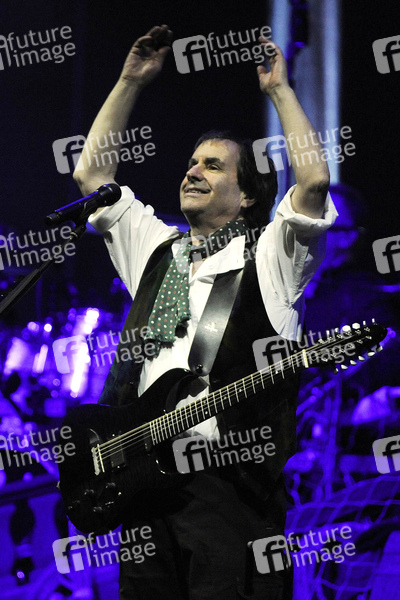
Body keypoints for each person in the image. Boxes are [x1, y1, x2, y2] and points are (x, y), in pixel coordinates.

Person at [73, 24, 336, 600]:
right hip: (144, 485)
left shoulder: (270, 258)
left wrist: (279, 91)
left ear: (247, 195)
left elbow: (314, 180)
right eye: (193, 162)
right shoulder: (157, 249)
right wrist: (130, 81)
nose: (192, 171)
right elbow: (92, 176)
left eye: (213, 166)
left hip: (228, 491)